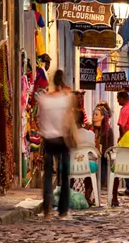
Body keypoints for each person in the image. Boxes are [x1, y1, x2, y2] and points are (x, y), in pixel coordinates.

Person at [36, 70, 73, 219]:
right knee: (64, 175)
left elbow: (39, 119)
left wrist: (44, 131)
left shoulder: (44, 99)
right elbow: (68, 120)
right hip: (62, 139)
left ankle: (47, 208)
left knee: (48, 173)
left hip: (48, 139)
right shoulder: (66, 99)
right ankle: (63, 210)